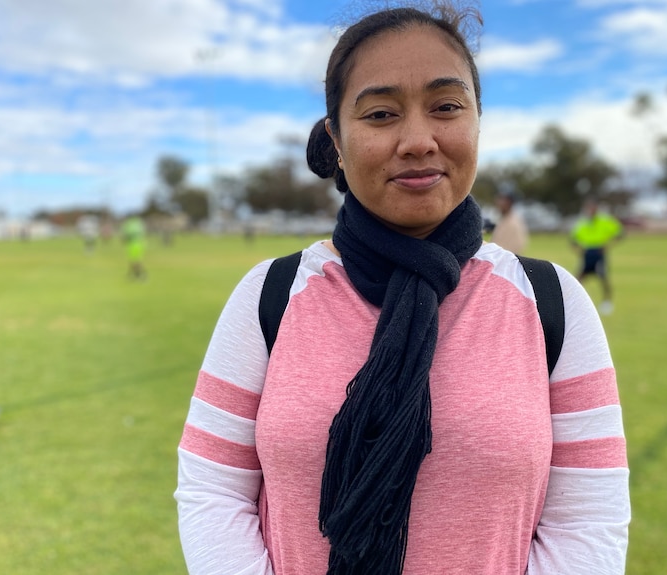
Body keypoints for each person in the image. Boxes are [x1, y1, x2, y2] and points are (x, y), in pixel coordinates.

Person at [175, 4, 629, 575]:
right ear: (336, 140)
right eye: (381, 113)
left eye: (446, 107)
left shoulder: (551, 303)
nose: (418, 140)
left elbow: (588, 520)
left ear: (476, 123)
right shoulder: (270, 295)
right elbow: (213, 487)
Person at [569, 198, 624, 315]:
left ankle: (607, 302)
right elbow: (573, 240)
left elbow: (619, 234)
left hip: (599, 252)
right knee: (578, 279)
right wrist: (579, 250)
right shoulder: (582, 223)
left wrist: (607, 246)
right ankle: (573, 303)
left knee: (603, 278)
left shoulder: (604, 221)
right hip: (588, 252)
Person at [490, 185, 529, 254]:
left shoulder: (513, 223)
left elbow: (511, 251)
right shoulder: (504, 220)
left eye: (502, 199)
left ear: (510, 202)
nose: (499, 202)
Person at [120, 215, 147, 280]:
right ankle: (133, 274)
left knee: (134, 261)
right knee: (136, 260)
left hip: (133, 245)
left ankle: (140, 275)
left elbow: (125, 236)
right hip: (140, 244)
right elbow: (143, 233)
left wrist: (124, 240)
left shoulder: (128, 225)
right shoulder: (139, 224)